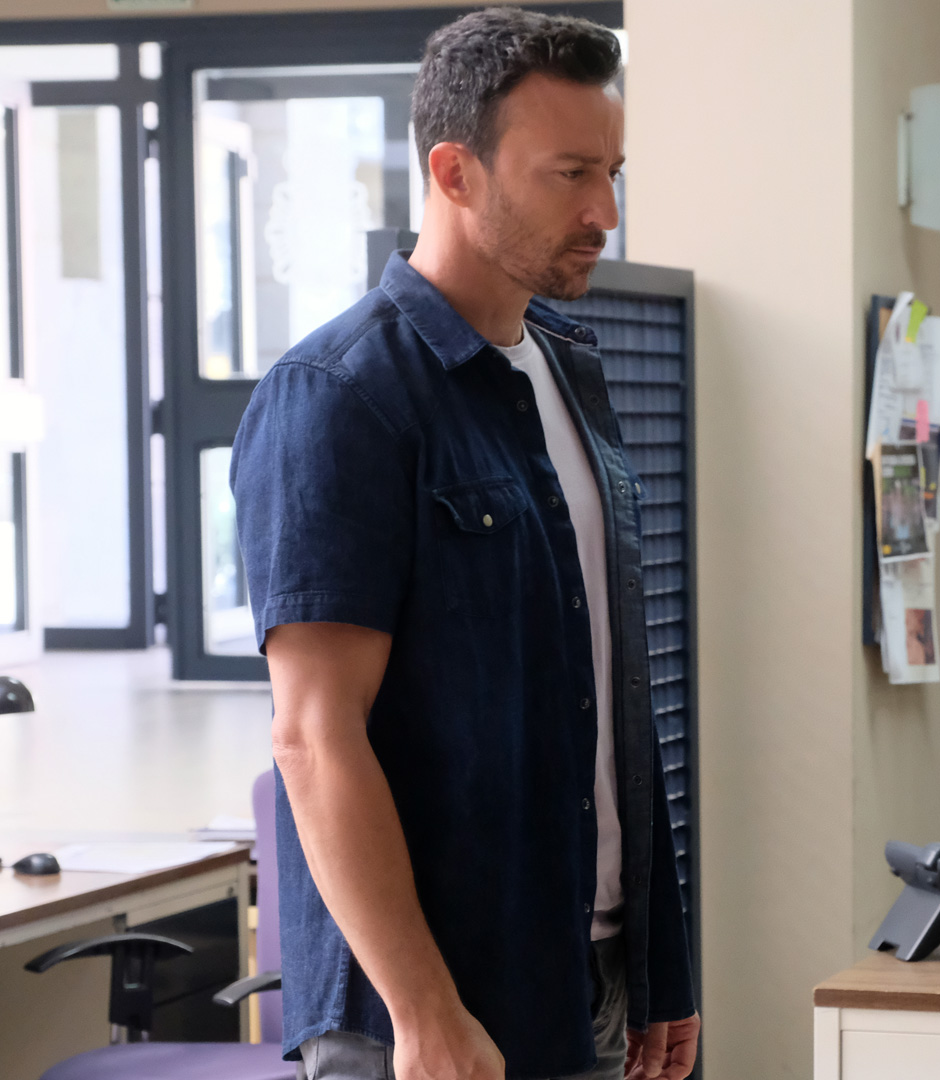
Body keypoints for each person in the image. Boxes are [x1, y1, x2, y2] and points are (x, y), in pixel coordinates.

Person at [231, 9, 698, 1080]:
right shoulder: (340, 396)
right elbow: (312, 736)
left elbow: (609, 695)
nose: (604, 212)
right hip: (426, 1015)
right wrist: (424, 1011)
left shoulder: (567, 372)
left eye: (612, 173)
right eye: (569, 175)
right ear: (454, 171)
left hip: (583, 978)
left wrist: (657, 963)